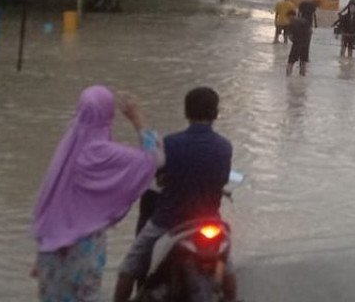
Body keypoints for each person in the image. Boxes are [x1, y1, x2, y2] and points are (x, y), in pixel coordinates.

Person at [32, 86, 160, 302]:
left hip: (51, 250)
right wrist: (137, 118)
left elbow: (50, 201)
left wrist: (42, 249)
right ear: (108, 114)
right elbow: (152, 159)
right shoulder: (104, 153)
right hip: (84, 248)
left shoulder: (67, 149)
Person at [115, 87, 234, 302]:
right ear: (215, 113)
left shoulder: (170, 143)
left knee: (129, 267)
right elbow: (222, 179)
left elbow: (158, 170)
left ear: (186, 113)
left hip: (169, 222)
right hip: (209, 220)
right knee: (228, 267)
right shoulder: (225, 146)